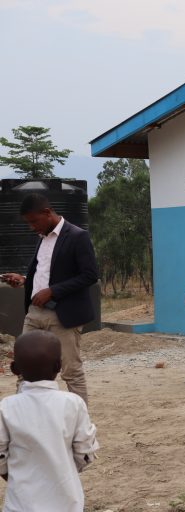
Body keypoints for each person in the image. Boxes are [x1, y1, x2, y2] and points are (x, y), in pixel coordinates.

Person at [0, 193, 97, 404]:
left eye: (34, 221)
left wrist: (53, 291)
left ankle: (79, 424)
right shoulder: (42, 237)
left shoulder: (77, 236)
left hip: (63, 315)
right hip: (34, 314)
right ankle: (23, 419)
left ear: (47, 213)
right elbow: (48, 272)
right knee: (24, 368)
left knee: (71, 371)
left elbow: (90, 275)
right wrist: (25, 279)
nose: (31, 227)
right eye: (28, 223)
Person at [0, 331, 99, 512]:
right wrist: (64, 470)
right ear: (59, 366)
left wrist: (13, 475)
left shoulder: (6, 407)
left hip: (20, 504)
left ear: (14, 369)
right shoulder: (73, 403)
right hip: (67, 502)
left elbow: (0, 456)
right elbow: (85, 453)